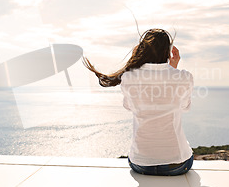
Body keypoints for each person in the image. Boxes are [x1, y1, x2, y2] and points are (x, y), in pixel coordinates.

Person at [82, 28, 194, 176]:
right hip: (177, 164)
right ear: (169, 52)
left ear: (142, 50)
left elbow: (129, 106)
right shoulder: (183, 78)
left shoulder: (128, 77)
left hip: (141, 164)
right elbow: (184, 107)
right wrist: (172, 69)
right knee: (185, 149)